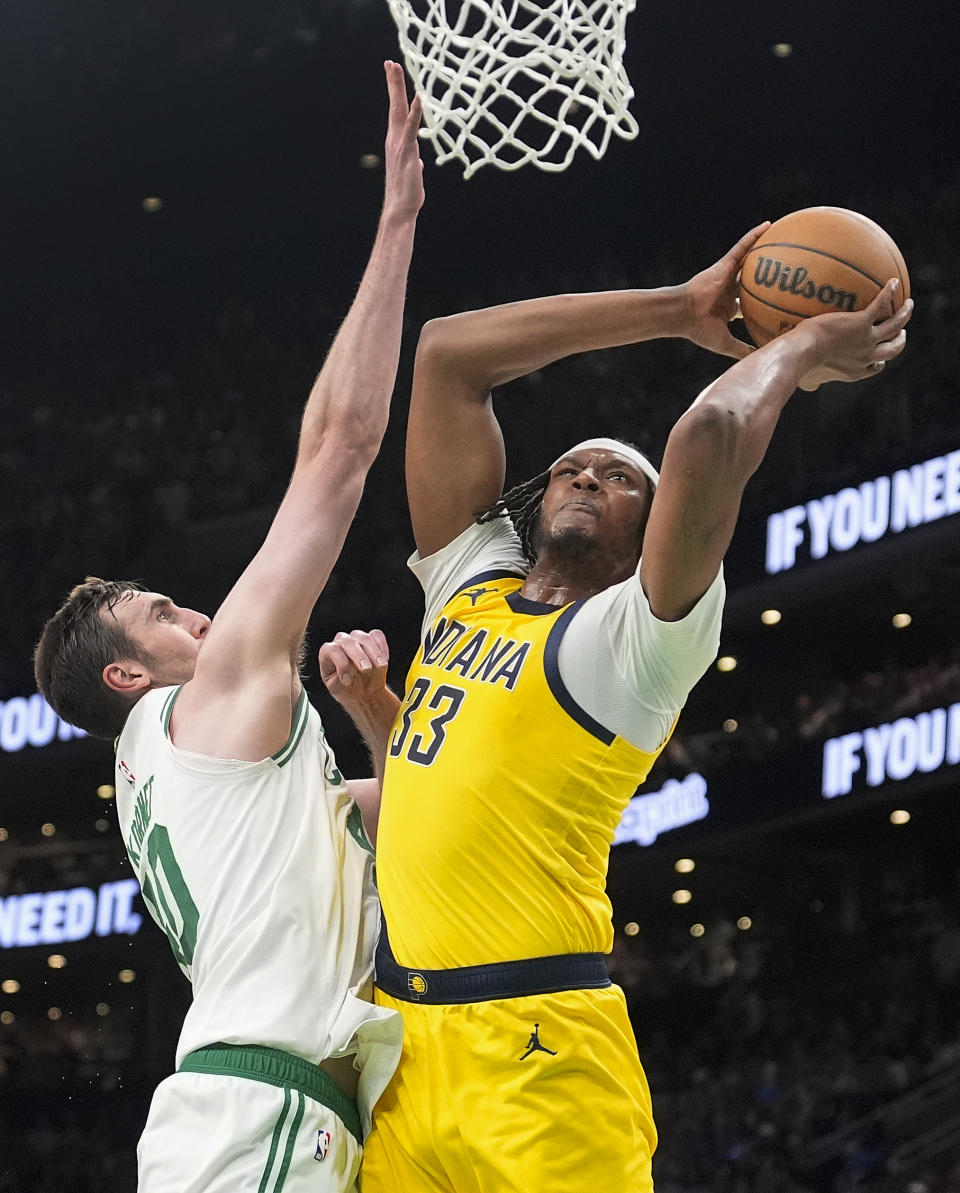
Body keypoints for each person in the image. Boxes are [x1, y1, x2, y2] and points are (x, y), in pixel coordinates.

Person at [318, 230, 912, 1192]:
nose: (589, 476)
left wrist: (797, 349)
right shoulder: (468, 582)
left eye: (620, 476)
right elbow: (446, 355)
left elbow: (708, 439)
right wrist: (678, 309)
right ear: (536, 495)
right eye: (571, 467)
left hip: (542, 1050)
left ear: (655, 525)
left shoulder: (638, 637)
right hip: (405, 1053)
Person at [32, 62, 424, 1193]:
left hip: (265, 1114)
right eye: (162, 613)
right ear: (126, 672)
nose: (196, 611)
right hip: (265, 1117)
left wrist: (376, 719)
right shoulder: (199, 709)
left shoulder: (211, 779)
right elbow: (339, 451)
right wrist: (397, 220)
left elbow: (403, 813)